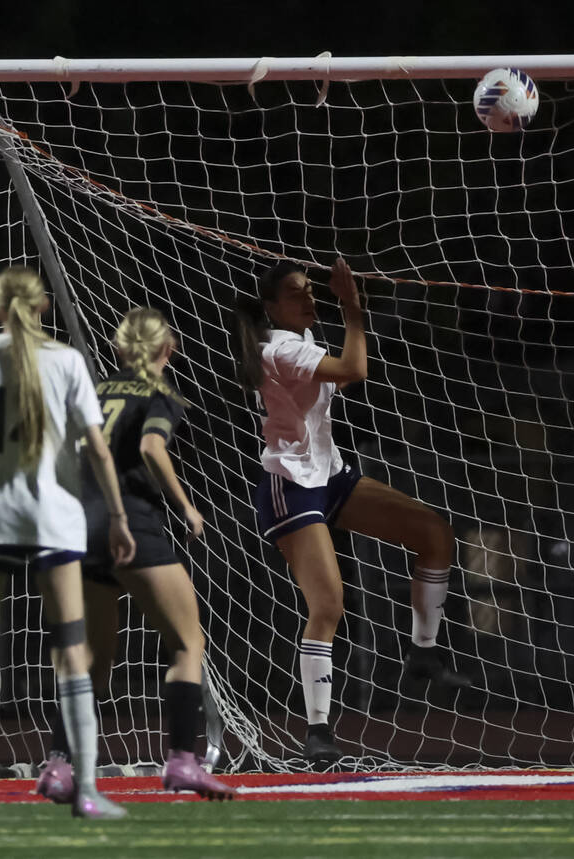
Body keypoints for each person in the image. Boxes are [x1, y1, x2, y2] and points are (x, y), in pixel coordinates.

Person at [232, 257, 469, 763]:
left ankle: (424, 653)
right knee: (329, 606)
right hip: (291, 488)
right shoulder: (281, 347)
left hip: (331, 476)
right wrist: (353, 309)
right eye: (298, 294)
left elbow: (336, 377)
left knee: (434, 534)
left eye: (311, 291)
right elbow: (355, 370)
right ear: (273, 308)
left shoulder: (304, 344)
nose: (309, 299)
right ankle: (317, 730)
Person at [0, 266, 135, 820]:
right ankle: (84, 791)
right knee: (69, 650)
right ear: (44, 307)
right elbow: (99, 449)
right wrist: (116, 516)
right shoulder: (67, 361)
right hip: (52, 521)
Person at [35, 308, 235, 802]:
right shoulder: (161, 394)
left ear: (120, 349)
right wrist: (185, 505)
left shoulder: (95, 391)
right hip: (132, 525)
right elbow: (150, 448)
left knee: (91, 663)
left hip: (80, 527)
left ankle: (59, 765)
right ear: (167, 350)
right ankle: (183, 762)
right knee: (188, 644)